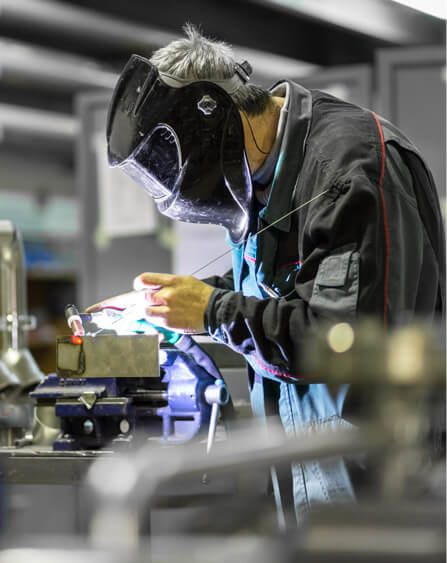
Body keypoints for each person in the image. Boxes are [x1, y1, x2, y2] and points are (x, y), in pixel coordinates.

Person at [89, 24, 445, 523]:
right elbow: (287, 286)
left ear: (211, 119)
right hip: (306, 467)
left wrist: (211, 311)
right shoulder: (263, 172)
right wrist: (183, 300)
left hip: (374, 478)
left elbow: (339, 340)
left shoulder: (346, 167)